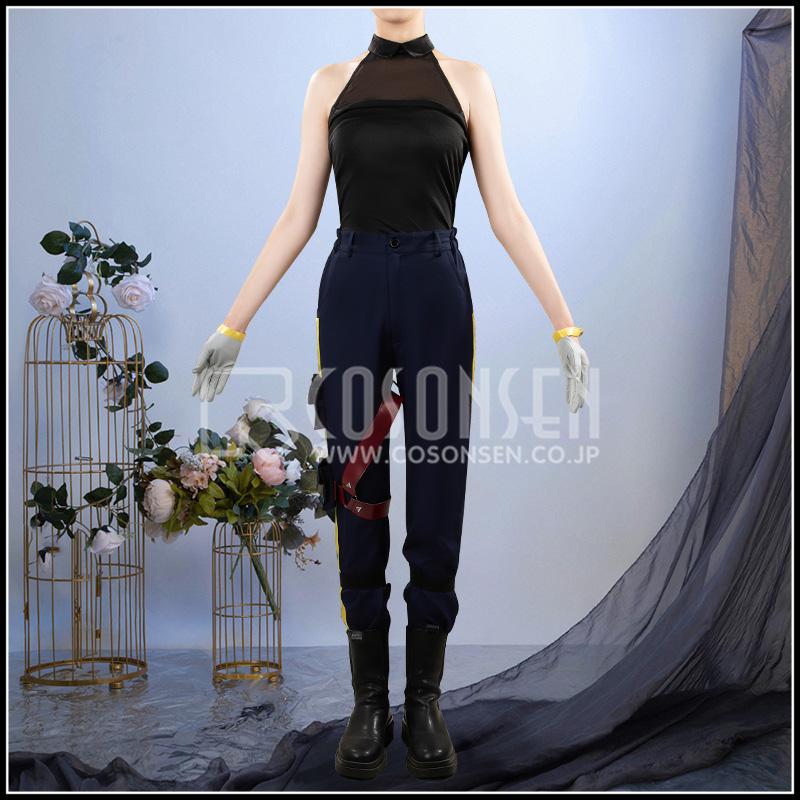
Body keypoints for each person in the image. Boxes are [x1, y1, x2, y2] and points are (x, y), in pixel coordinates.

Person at [192, 7, 589, 782]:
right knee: (358, 485)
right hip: (353, 285)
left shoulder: (468, 82)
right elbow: (299, 214)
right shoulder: (331, 84)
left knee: (439, 478)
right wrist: (233, 324)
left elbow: (506, 212)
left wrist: (564, 326)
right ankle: (369, 702)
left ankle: (425, 700)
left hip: (437, 285)